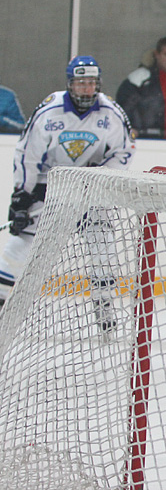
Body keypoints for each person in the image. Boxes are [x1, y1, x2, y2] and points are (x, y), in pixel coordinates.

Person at [0, 56, 136, 320]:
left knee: (103, 246)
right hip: (49, 187)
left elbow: (125, 151)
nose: (86, 88)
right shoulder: (50, 111)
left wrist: (100, 177)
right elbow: (26, 154)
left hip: (90, 190)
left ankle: (104, 306)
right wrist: (22, 197)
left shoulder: (111, 113)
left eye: (91, 83)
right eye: (81, 83)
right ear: (70, 84)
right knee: (20, 244)